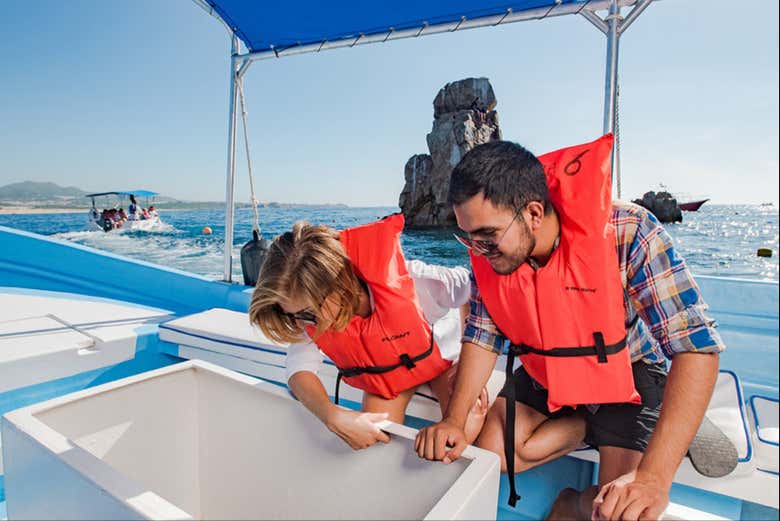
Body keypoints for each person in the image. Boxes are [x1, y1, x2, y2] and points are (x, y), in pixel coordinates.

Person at [415, 135, 725, 521]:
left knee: (616, 511)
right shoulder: (489, 255)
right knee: (494, 453)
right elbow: (482, 333)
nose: (478, 250)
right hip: (547, 369)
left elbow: (695, 347)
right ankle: (584, 427)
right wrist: (455, 421)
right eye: (470, 237)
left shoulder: (629, 231)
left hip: (627, 374)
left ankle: (586, 487)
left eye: (488, 237)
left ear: (531, 213)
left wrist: (653, 478)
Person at [249, 214, 489, 451]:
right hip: (389, 380)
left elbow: (476, 286)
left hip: (443, 364)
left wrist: (467, 355)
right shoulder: (304, 314)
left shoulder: (417, 282)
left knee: (466, 423)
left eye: (307, 314)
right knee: (376, 441)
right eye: (289, 315)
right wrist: (332, 415)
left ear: (339, 285)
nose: (301, 325)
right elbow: (298, 370)